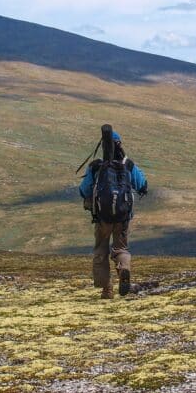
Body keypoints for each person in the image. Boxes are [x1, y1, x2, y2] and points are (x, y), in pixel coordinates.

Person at [79, 127, 148, 298]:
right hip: (123, 218)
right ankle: (124, 268)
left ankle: (107, 289)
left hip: (102, 218)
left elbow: (84, 190)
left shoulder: (96, 167)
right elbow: (142, 185)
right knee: (121, 249)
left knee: (101, 251)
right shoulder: (128, 165)